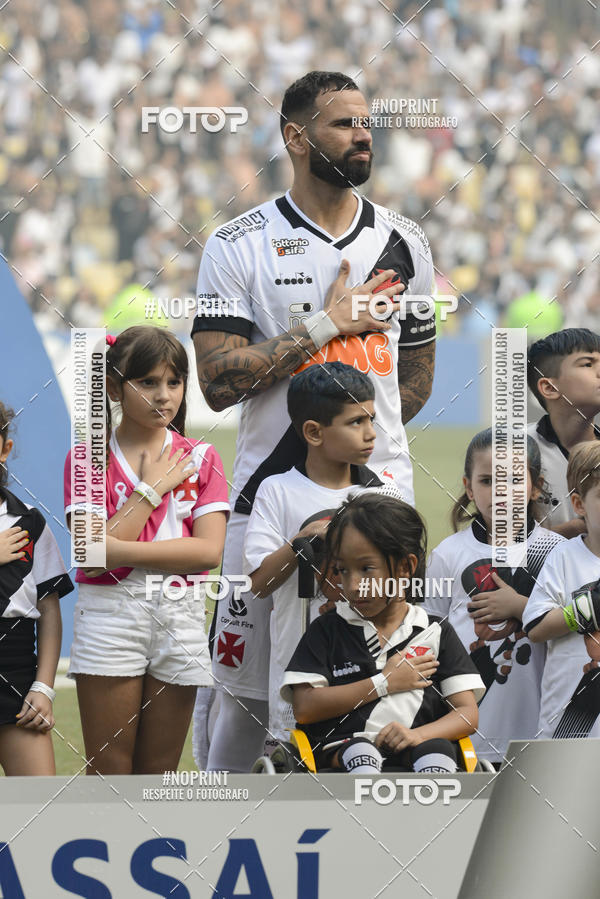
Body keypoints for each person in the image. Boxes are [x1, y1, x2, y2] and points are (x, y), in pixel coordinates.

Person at [192, 70, 438, 771]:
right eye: (343, 124)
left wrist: (355, 438)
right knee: (242, 703)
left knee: (384, 688)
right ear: (296, 138)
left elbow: (410, 381)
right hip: (268, 498)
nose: (363, 134)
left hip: (382, 502)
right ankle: (220, 854)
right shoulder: (239, 243)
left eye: (366, 122)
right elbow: (215, 382)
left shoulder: (404, 241)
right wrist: (329, 323)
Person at [63, 327, 229, 775]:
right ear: (115, 387)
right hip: (110, 614)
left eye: (174, 382)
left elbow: (208, 552)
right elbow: (91, 553)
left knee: (159, 773)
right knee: (109, 769)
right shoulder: (87, 458)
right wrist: (152, 490)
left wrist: (116, 548)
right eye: (148, 382)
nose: (164, 395)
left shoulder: (202, 455)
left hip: (183, 610)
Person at [242, 362, 396, 753]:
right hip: (298, 692)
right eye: (355, 422)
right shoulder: (276, 491)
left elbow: (402, 593)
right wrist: (301, 543)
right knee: (289, 799)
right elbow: (260, 585)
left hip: (370, 691)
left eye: (372, 419)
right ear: (313, 432)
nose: (370, 433)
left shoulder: (382, 499)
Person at [280, 493, 484, 774]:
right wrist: (384, 682)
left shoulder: (435, 631)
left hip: (418, 746)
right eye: (342, 570)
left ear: (405, 567)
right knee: (361, 752)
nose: (352, 585)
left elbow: (467, 714)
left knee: (439, 754)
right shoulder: (327, 630)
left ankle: (435, 813)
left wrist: (418, 736)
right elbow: (304, 708)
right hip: (343, 753)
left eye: (366, 569)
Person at [424, 429, 564, 767]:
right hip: (469, 733)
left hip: (540, 730)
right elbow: (429, 633)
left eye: (515, 479)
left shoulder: (557, 552)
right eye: (487, 481)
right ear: (469, 487)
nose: (501, 492)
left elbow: (574, 627)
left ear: (535, 486)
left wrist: (520, 607)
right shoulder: (448, 554)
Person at [0, 401, 73, 775]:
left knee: (42, 812)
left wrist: (43, 687)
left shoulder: (29, 521)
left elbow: (48, 610)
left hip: (16, 680)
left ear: (4, 449)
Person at [524, 441, 600, 740]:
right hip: (568, 729)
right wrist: (591, 607)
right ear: (579, 505)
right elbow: (536, 627)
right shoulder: (564, 557)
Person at [527, 328, 600, 537]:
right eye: (588, 364)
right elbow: (496, 547)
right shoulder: (514, 448)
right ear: (549, 388)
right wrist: (575, 531)